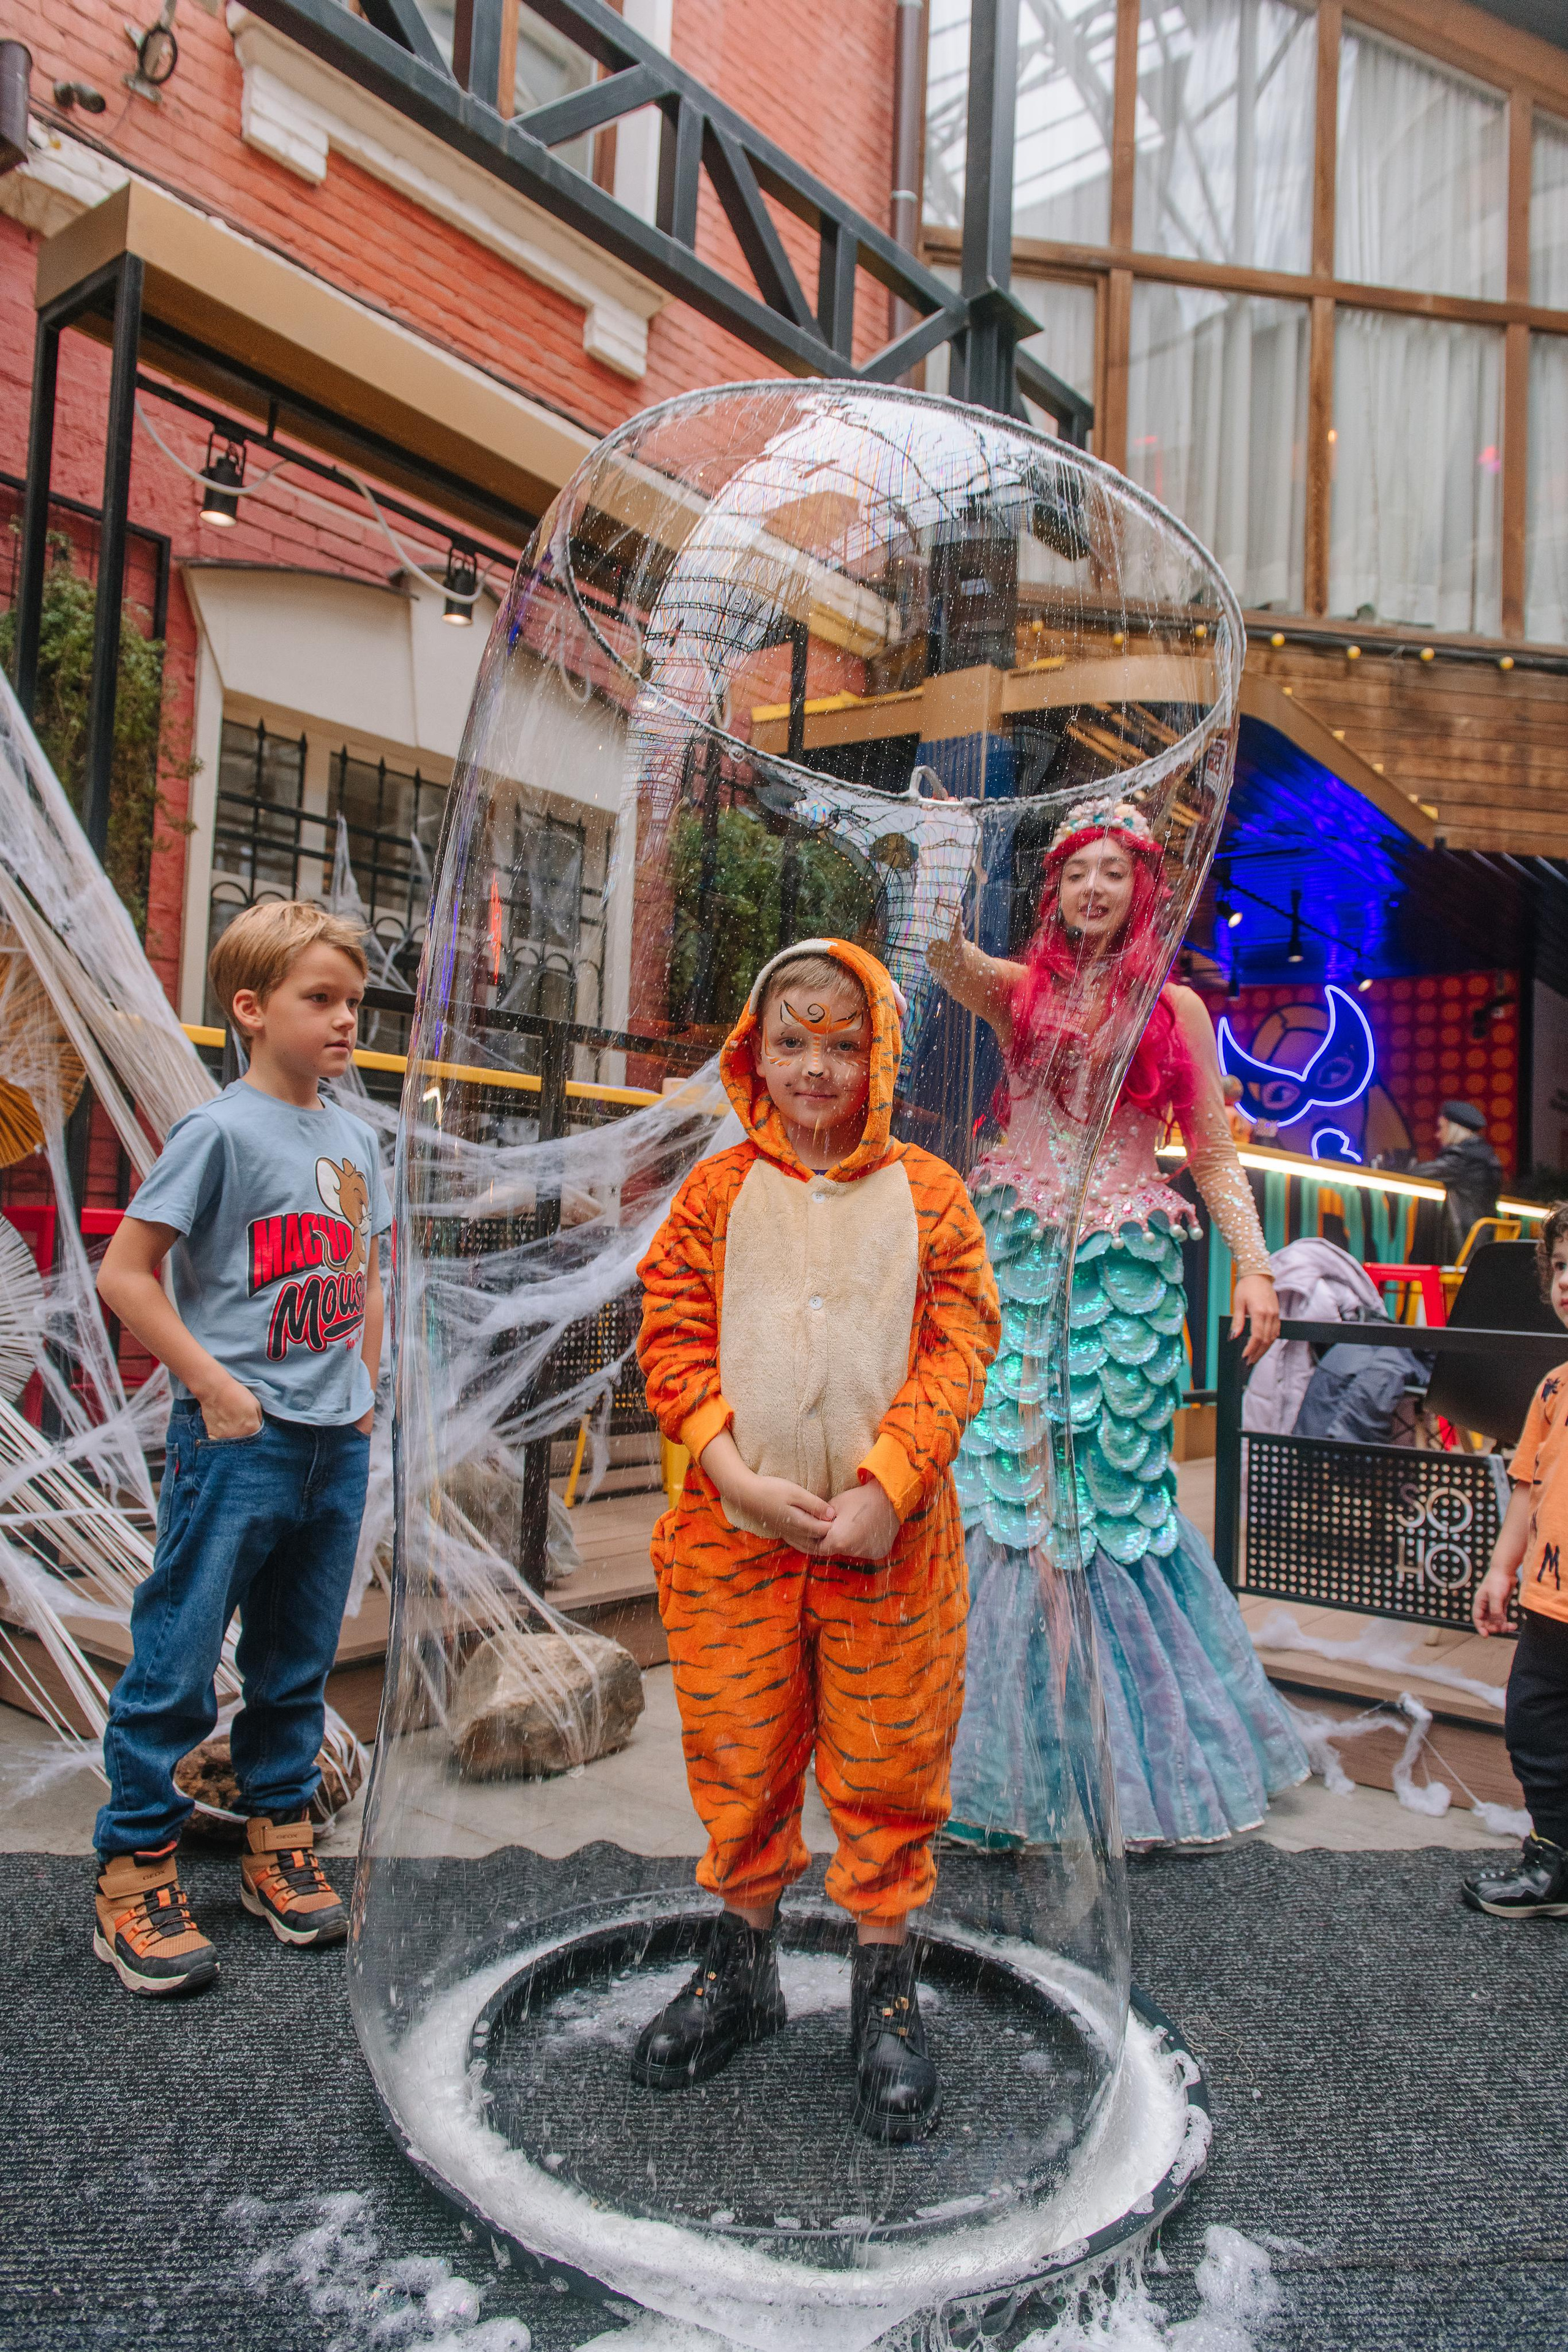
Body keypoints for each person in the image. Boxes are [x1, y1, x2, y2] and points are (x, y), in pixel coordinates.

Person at [632, 939, 999, 2139]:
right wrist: (726, 1467)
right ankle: (739, 1966)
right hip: (731, 1538)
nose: (814, 1064)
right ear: (754, 1049)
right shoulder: (715, 1191)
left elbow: (959, 1344)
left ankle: (882, 1985)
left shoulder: (932, 1196)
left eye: (842, 1040)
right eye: (790, 1039)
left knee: (887, 1756)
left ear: (880, 1052)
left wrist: (892, 1483)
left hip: (889, 1548)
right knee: (740, 1746)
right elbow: (671, 1330)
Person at [927, 796, 1308, 1847]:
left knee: (1109, 1494)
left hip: (1127, 1272)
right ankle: (987, 1754)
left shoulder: (1175, 1010)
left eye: (1113, 871)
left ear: (1144, 887)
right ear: (1054, 892)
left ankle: (1126, 1759)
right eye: (1075, 872)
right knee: (1002, 1474)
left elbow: (1214, 1150)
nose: (1093, 888)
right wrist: (943, 860)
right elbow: (945, 959)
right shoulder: (1019, 991)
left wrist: (1256, 1268)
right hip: (1017, 1259)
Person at [91, 902, 390, 1997]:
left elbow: (366, 1270)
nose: (345, 1020)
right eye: (321, 1000)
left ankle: (277, 1842)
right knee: (175, 1657)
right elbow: (128, 1272)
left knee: (296, 1662)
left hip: (332, 1444)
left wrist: (366, 1388)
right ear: (252, 1008)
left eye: (353, 1001)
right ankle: (133, 1872)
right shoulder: (215, 1132)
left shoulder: (359, 1139)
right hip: (238, 1442)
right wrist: (211, 1386)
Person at [1463, 1201, 1568, 1921]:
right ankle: (1553, 1857)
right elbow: (1526, 1491)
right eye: (1560, 1266)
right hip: (1548, 1604)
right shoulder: (1551, 1388)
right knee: (1534, 1727)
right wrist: (1502, 1570)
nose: (1566, 1281)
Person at [1411, 1100, 1502, 1261]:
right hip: (1483, 1243)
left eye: (1441, 1128)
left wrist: (1389, 1169)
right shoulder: (1486, 1155)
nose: (1437, 1135)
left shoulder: (1462, 1158)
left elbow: (1418, 1174)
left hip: (1465, 1247)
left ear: (1454, 1129)